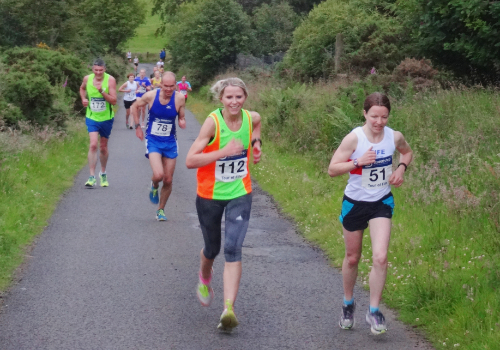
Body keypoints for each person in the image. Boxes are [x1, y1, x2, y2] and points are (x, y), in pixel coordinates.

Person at [327, 92, 413, 335]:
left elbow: (407, 152)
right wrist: (357, 162)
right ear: (364, 114)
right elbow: (332, 169)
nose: (379, 122)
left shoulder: (394, 136)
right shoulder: (354, 139)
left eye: (384, 117)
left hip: (381, 202)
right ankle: (348, 303)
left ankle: (374, 310)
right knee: (352, 258)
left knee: (380, 257)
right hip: (355, 203)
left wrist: (401, 169)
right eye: (374, 116)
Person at [185, 77, 262, 332]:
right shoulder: (213, 122)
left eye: (239, 97)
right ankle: (205, 277)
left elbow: (258, 123)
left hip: (240, 191)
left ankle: (228, 309)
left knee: (233, 248)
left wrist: (256, 144)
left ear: (245, 98)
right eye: (229, 97)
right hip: (209, 194)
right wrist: (223, 151)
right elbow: (190, 160)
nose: (234, 101)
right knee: (212, 248)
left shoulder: (250, 118)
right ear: (221, 99)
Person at [132, 72, 186, 221]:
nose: (168, 89)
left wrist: (182, 121)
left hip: (170, 142)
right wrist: (137, 126)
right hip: (153, 140)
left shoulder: (180, 98)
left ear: (175, 85)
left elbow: (181, 116)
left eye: (171, 86)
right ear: (161, 84)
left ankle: (160, 210)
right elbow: (134, 106)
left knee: (168, 180)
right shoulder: (151, 96)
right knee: (159, 175)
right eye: (166, 86)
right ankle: (154, 185)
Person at [79, 59, 117, 188]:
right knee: (93, 144)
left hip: (106, 118)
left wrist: (102, 92)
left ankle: (103, 172)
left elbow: (113, 101)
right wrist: (83, 99)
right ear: (92, 70)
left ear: (105, 69)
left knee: (103, 147)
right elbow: (82, 88)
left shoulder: (110, 80)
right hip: (92, 117)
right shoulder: (87, 79)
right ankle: (91, 176)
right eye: (96, 70)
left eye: (101, 70)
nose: (98, 72)